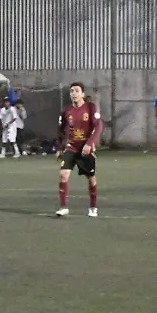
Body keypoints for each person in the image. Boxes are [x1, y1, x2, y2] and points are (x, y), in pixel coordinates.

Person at [56, 83, 104, 218]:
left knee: (91, 178)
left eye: (77, 91)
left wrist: (90, 143)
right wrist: (59, 148)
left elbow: (99, 127)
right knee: (63, 175)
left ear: (82, 94)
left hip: (85, 150)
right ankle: (63, 207)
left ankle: (93, 207)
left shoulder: (90, 108)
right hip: (71, 147)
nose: (74, 93)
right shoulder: (66, 111)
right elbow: (60, 131)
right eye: (72, 91)